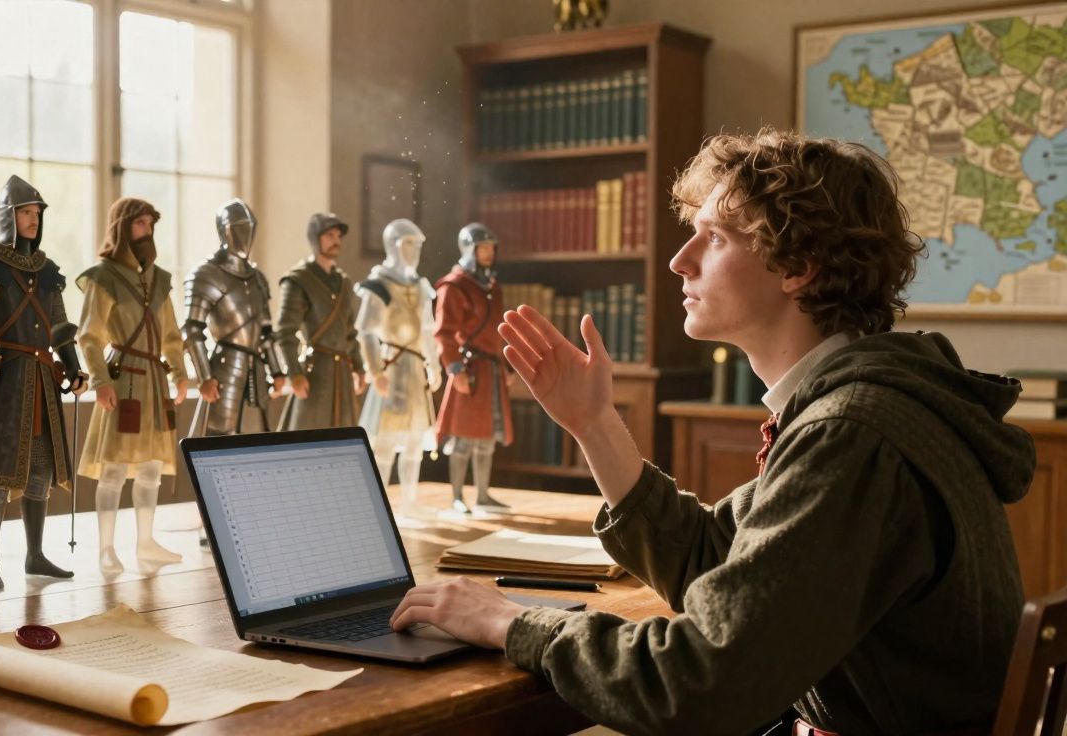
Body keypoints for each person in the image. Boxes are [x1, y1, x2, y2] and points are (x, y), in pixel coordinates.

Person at [390, 130, 1034, 734]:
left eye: (716, 237)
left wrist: (510, 623)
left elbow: (699, 682)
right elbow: (717, 559)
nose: (678, 261)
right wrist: (594, 423)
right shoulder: (862, 405)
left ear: (798, 265)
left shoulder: (854, 434)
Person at [0, 175, 88, 590]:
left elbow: (60, 329)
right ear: (9, 216)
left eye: (37, 213)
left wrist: (75, 368)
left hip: (44, 379)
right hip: (6, 378)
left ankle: (35, 555)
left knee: (41, 468)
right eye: (25, 212)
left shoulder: (47, 271)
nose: (32, 219)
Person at [75, 197, 189, 574]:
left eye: (150, 225)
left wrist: (179, 372)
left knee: (152, 468)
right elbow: (89, 336)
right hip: (122, 382)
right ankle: (106, 549)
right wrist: (100, 380)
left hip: (154, 384)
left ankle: (146, 543)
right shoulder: (103, 277)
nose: (147, 232)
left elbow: (172, 335)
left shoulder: (160, 280)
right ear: (123, 227)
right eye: (140, 224)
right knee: (113, 471)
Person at [355, 219, 442, 517]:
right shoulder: (378, 285)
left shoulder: (419, 286)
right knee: (386, 440)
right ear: (394, 245)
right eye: (408, 243)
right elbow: (366, 331)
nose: (414, 250)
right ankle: (379, 506)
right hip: (392, 367)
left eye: (417, 245)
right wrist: (376, 371)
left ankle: (409, 501)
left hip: (415, 368)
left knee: (416, 438)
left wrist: (434, 364)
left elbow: (428, 330)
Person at [183, 198, 287, 437]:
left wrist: (277, 371)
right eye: (238, 228)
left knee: (258, 437)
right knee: (218, 437)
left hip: (257, 370)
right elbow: (191, 329)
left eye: (248, 228)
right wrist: (204, 377)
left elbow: (265, 331)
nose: (244, 235)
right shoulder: (207, 274)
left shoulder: (257, 278)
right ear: (224, 230)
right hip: (224, 368)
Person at [433, 222, 514, 514]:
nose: (488, 253)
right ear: (469, 250)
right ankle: (457, 496)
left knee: (487, 438)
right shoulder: (454, 286)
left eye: (491, 247)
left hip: (490, 369)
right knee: (463, 438)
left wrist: (504, 367)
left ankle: (482, 494)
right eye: (482, 247)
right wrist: (455, 370)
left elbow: (497, 332)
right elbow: (444, 332)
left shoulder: (492, 287)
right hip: (469, 370)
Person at [275, 212, 366, 431]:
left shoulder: (343, 282)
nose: (336, 240)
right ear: (316, 239)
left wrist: (359, 367)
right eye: (329, 235)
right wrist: (295, 374)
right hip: (315, 373)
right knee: (306, 439)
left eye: (338, 235)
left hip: (342, 376)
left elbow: (349, 332)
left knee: (343, 440)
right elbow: (285, 333)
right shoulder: (298, 280)